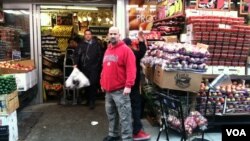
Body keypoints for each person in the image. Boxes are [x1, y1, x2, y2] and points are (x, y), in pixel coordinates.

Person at [101, 26, 136, 141]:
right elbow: (104, 68)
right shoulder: (107, 50)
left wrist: (128, 85)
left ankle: (127, 138)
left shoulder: (126, 50)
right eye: (110, 34)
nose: (112, 36)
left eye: (115, 34)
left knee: (124, 116)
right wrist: (102, 82)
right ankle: (113, 134)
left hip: (121, 90)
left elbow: (131, 69)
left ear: (119, 35)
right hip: (108, 90)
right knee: (111, 115)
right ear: (108, 35)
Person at [123, 32, 151, 140]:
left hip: (124, 85)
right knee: (136, 106)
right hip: (132, 84)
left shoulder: (120, 53)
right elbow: (142, 52)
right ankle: (136, 131)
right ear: (130, 45)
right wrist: (141, 41)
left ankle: (126, 129)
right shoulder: (132, 53)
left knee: (125, 107)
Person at [74, 29, 102, 109]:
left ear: (91, 35)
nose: (88, 35)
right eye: (86, 34)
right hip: (84, 68)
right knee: (86, 84)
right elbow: (76, 55)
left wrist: (97, 66)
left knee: (92, 84)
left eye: (89, 34)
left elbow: (100, 56)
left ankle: (92, 102)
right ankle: (88, 100)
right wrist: (75, 63)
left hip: (94, 68)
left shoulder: (96, 44)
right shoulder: (81, 44)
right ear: (84, 35)